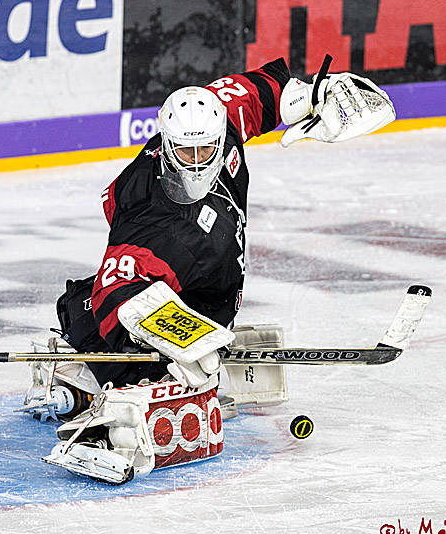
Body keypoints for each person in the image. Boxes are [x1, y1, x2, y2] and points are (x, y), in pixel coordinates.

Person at [24, 55, 396, 483]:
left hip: (209, 281)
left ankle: (97, 374)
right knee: (100, 322)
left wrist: (308, 95)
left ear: (220, 136)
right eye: (186, 150)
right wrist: (187, 341)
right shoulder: (146, 212)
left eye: (207, 148)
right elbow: (116, 291)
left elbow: (255, 92)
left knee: (170, 353)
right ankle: (94, 398)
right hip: (170, 281)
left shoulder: (216, 121)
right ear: (166, 144)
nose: (198, 160)